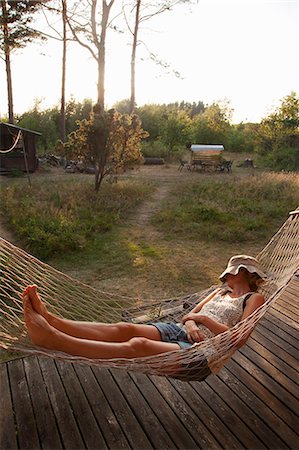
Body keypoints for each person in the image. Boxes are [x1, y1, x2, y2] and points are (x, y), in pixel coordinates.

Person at [22, 255, 266, 361]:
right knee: (125, 328)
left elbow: (238, 339)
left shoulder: (254, 299)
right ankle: (52, 320)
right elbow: (188, 316)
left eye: (231, 273)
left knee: (137, 346)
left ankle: (53, 339)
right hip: (182, 332)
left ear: (242, 273)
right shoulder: (219, 291)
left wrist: (202, 320)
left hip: (202, 348)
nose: (226, 278)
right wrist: (192, 322)